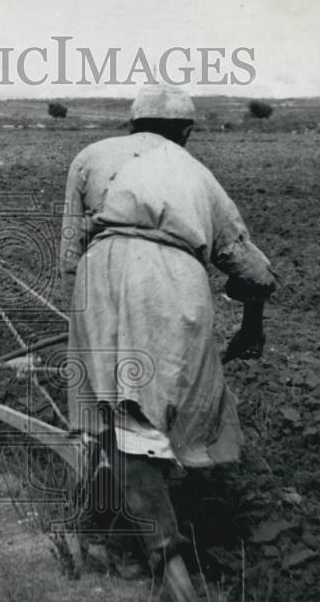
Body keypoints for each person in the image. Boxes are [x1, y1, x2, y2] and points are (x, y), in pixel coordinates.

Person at [59, 84, 277, 601]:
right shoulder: (198, 174)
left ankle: (122, 526)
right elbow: (253, 270)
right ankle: (168, 562)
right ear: (186, 132)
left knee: (115, 406)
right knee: (158, 408)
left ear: (132, 125)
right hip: (176, 283)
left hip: (102, 275)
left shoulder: (89, 157)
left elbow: (71, 251)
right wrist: (252, 326)